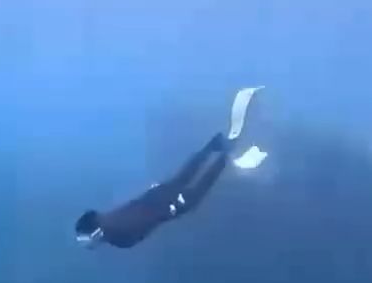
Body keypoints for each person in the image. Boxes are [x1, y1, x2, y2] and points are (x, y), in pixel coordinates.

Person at [75, 86, 267, 250]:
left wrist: (170, 209)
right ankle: (214, 145)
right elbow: (135, 215)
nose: (88, 246)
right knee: (183, 177)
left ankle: (224, 155)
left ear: (95, 233)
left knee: (196, 192)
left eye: (86, 241)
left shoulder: (116, 234)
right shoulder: (109, 223)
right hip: (155, 196)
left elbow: (141, 223)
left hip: (165, 206)